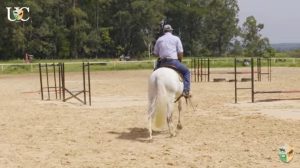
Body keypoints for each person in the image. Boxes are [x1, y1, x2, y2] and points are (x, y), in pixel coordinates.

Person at [153, 24, 191, 98]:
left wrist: (161, 55)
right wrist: (180, 59)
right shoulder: (176, 38)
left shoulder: (159, 39)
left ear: (164, 31)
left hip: (162, 63)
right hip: (173, 62)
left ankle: (154, 91)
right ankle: (186, 90)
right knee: (187, 72)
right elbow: (180, 52)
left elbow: (155, 53)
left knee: (154, 74)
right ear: (171, 31)